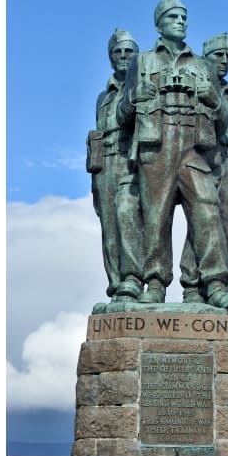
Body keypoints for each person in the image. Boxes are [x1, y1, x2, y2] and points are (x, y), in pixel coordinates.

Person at [118, 0, 228, 309]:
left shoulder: (202, 65)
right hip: (156, 148)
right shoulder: (143, 61)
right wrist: (135, 97)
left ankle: (215, 284)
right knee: (156, 218)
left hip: (193, 149)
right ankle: (155, 285)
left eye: (184, 18)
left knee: (207, 211)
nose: (180, 22)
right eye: (174, 17)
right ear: (159, 23)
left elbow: (225, 120)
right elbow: (121, 114)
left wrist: (213, 98)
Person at [179, 33, 228, 303]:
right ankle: (193, 286)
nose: (224, 61)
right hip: (203, 166)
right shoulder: (196, 90)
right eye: (218, 55)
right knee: (202, 225)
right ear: (204, 58)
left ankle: (212, 291)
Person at [86, 29, 144, 302]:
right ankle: (117, 287)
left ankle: (133, 280)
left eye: (128, 51)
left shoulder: (142, 86)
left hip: (128, 161)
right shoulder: (103, 97)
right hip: (103, 166)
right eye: (117, 51)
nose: (122, 56)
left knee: (127, 216)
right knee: (109, 228)